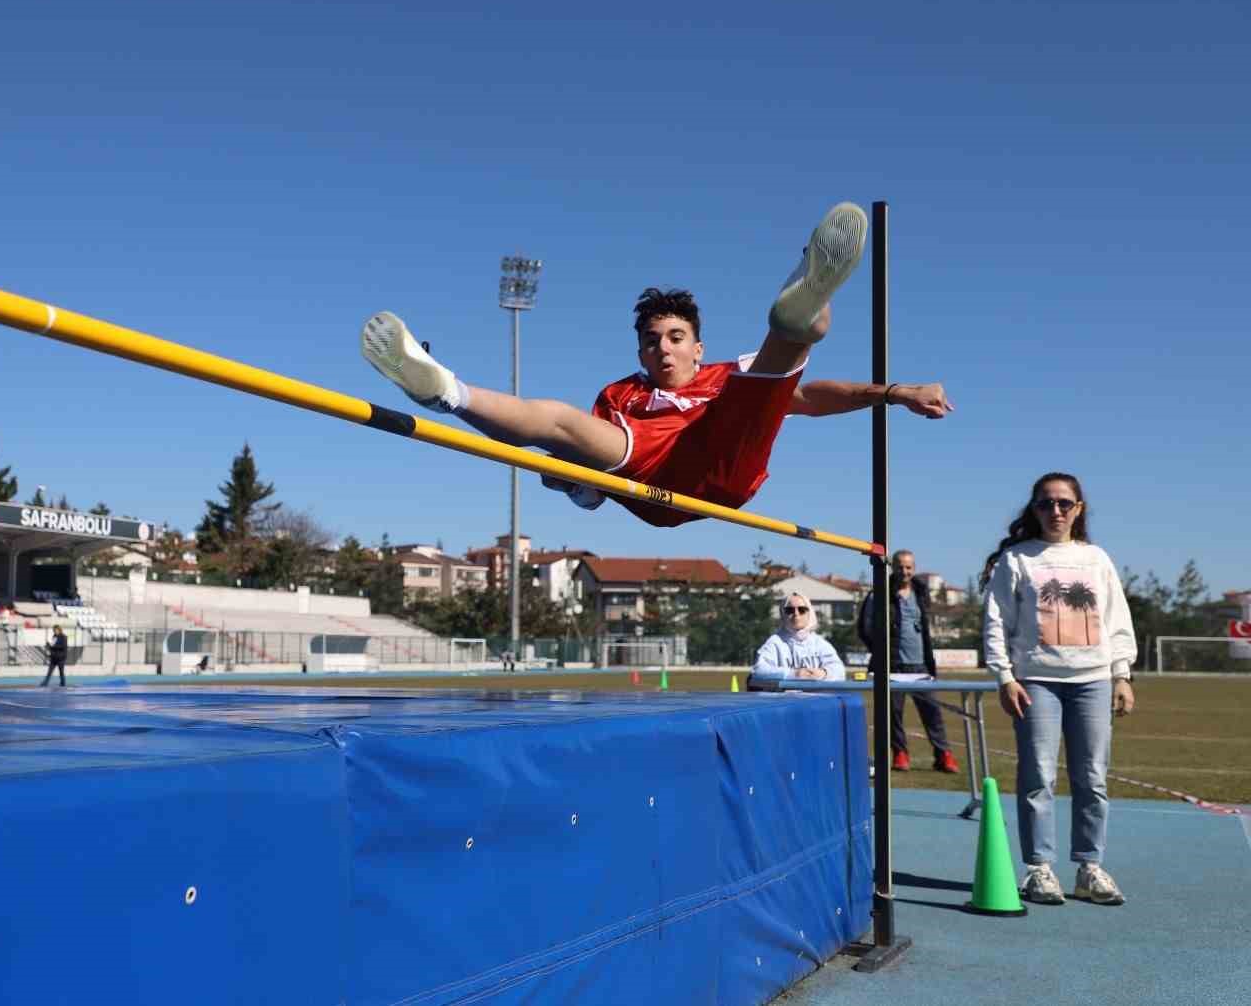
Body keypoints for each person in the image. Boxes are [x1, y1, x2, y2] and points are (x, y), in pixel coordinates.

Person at [361, 202, 953, 526]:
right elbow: (569, 455)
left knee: (771, 372)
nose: (662, 348)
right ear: (640, 351)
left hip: (723, 467)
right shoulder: (622, 395)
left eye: (675, 338)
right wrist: (569, 479)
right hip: (649, 480)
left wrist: (896, 392)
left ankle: (804, 308)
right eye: (651, 341)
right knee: (564, 421)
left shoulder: (723, 377)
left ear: (697, 347)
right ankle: (446, 391)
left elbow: (816, 398)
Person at [981, 472, 1137, 906]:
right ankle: (1039, 869)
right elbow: (996, 621)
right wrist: (1005, 676)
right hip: (1036, 682)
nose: (1055, 511)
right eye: (1046, 503)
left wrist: (1122, 674)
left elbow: (1117, 620)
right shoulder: (1017, 559)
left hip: (1093, 680)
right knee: (1038, 776)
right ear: (1033, 509)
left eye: (1065, 503)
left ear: (1078, 509)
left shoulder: (1096, 559)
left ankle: (1090, 867)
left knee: (1092, 777)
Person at [856, 549, 960, 773]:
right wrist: (879, 651)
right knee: (893, 713)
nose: (904, 571)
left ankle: (943, 754)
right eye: (900, 566)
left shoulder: (921, 593)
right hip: (891, 666)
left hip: (920, 664)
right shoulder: (879, 594)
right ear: (892, 567)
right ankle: (900, 753)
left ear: (914, 568)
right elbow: (865, 627)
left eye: (908, 567)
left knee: (932, 711)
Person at [750, 592, 846, 684]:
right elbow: (758, 670)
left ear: (809, 613)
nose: (796, 614)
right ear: (783, 614)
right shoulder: (775, 642)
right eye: (790, 610)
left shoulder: (819, 643)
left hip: (815, 695)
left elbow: (839, 670)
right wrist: (794, 674)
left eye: (802, 609)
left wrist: (824, 673)